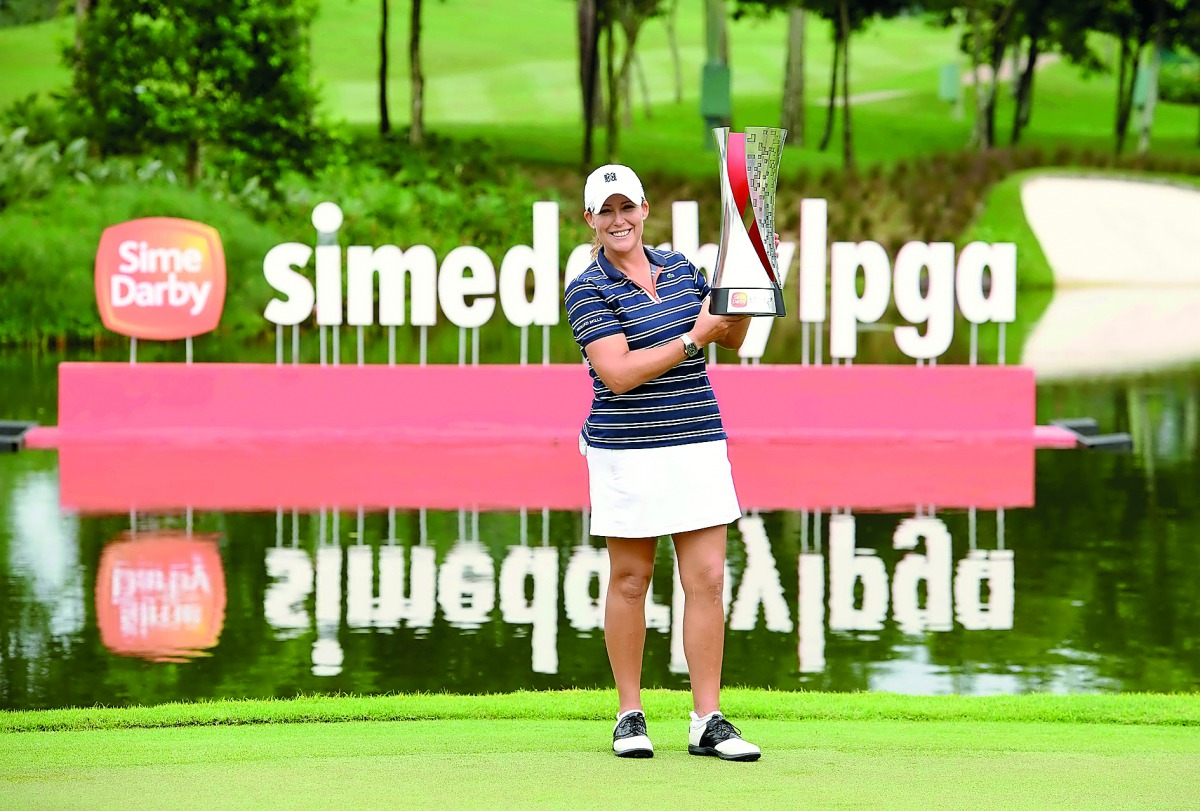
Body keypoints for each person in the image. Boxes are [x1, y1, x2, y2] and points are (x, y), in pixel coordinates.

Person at [564, 163, 761, 763]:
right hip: (627, 448)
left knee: (708, 579)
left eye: (627, 207)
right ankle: (630, 715)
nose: (618, 219)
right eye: (606, 210)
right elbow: (618, 375)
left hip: (696, 436)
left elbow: (732, 337)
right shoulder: (587, 287)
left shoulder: (681, 270)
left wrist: (745, 283)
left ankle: (708, 720)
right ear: (590, 220)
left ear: (646, 209)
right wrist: (693, 338)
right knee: (631, 580)